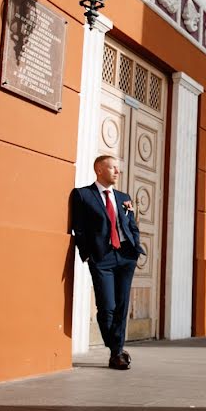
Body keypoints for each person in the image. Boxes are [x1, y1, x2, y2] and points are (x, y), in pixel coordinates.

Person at [70, 155, 145, 370]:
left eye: (117, 168)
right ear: (99, 170)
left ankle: (116, 353)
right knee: (107, 306)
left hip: (126, 256)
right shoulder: (83, 195)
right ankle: (117, 347)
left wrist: (135, 245)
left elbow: (131, 224)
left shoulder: (123, 197)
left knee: (121, 306)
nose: (117, 172)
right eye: (112, 167)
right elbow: (79, 228)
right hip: (102, 258)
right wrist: (88, 254)